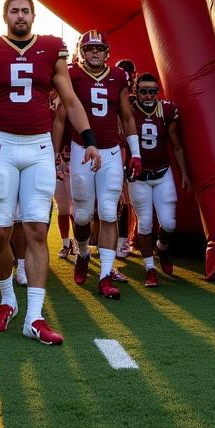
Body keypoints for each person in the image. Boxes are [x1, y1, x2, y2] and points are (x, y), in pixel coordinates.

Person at [0, 0, 101, 346]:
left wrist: (89, 138)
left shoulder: (51, 49)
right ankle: (7, 301)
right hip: (2, 145)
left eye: (26, 11)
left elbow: (70, 100)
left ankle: (34, 315)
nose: (20, 16)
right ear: (5, 16)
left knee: (35, 229)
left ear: (34, 16)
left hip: (38, 147)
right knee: (1, 232)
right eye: (14, 11)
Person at [53, 30, 139, 300]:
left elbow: (126, 116)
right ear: (81, 51)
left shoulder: (117, 76)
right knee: (81, 215)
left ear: (106, 51)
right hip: (81, 151)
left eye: (99, 48)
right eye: (89, 49)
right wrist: (55, 154)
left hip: (111, 152)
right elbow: (60, 119)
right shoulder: (73, 75)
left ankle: (105, 274)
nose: (94, 53)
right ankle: (82, 252)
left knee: (109, 212)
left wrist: (135, 152)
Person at [128, 73, 191, 287]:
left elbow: (176, 144)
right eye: (143, 91)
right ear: (136, 91)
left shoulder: (166, 109)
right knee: (144, 222)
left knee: (169, 224)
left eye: (152, 91)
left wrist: (183, 172)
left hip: (162, 173)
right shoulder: (128, 109)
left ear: (157, 92)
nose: (147, 95)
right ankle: (149, 268)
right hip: (138, 176)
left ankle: (161, 249)